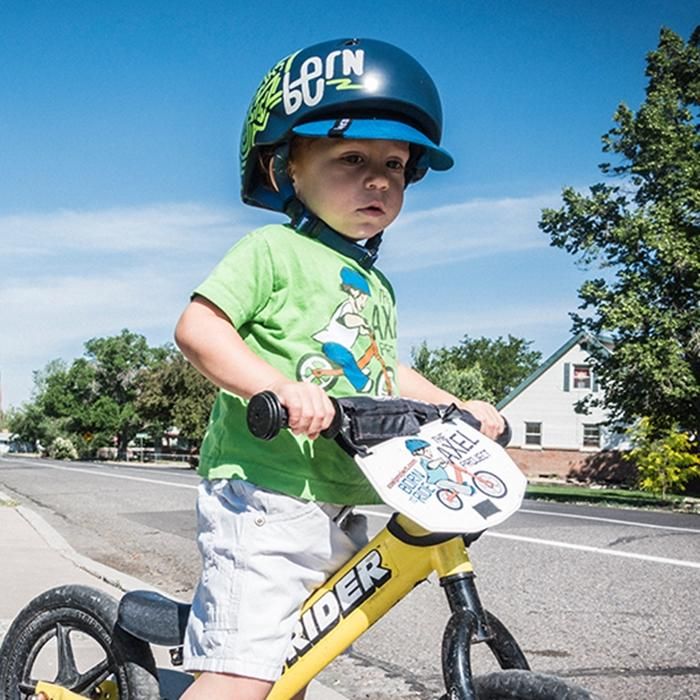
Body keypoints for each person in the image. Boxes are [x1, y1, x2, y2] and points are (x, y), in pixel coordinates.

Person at [174, 38, 505, 700]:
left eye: (394, 162)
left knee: (293, 668)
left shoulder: (374, 288)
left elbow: (380, 374)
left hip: (338, 496)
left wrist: (457, 405)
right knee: (244, 676)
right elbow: (198, 329)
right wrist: (276, 387)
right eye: (352, 158)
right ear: (288, 167)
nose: (378, 178)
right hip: (265, 497)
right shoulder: (272, 250)